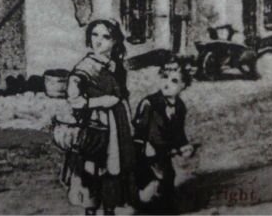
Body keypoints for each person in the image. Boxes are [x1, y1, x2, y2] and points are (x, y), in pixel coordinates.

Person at [62, 19, 136, 216]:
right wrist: (100, 101)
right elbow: (74, 98)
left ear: (115, 41)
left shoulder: (117, 66)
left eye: (105, 36)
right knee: (92, 169)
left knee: (115, 168)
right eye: (94, 35)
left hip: (117, 123)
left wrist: (129, 121)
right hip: (95, 124)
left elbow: (124, 95)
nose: (98, 41)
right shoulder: (85, 67)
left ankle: (110, 209)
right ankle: (91, 210)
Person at [133, 58, 194, 214]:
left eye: (174, 81)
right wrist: (144, 146)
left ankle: (165, 207)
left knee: (168, 177)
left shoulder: (180, 107)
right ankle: (143, 204)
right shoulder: (149, 103)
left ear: (183, 85)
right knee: (148, 182)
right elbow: (139, 130)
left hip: (163, 151)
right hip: (146, 153)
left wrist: (183, 145)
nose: (167, 83)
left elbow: (178, 131)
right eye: (164, 77)